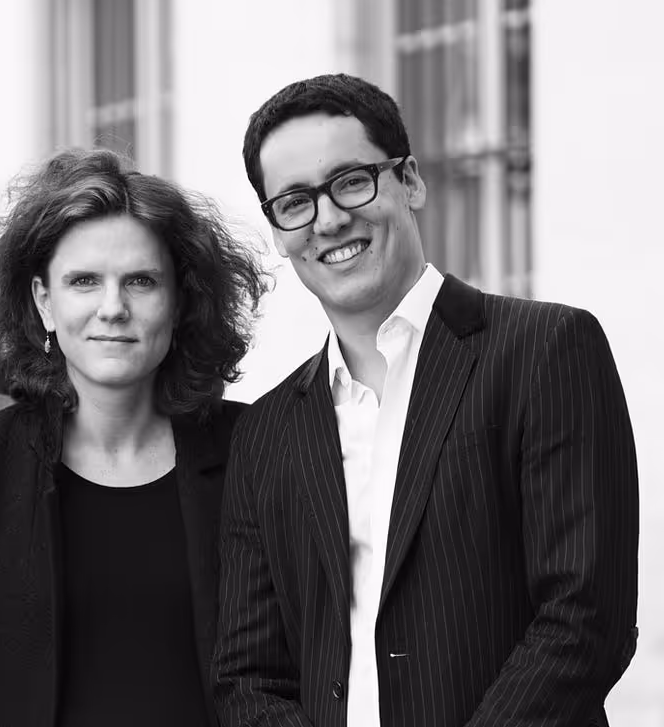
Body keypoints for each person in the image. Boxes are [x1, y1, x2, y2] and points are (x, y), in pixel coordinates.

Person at [213, 73, 639, 727]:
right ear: (277, 230)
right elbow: (248, 677)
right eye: (295, 202)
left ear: (409, 180)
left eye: (351, 180)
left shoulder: (546, 350)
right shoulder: (265, 430)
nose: (329, 219)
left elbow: (586, 618)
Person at [0, 148, 269, 727]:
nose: (112, 308)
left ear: (178, 301)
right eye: (84, 281)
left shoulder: (257, 449)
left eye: (141, 281)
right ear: (44, 302)